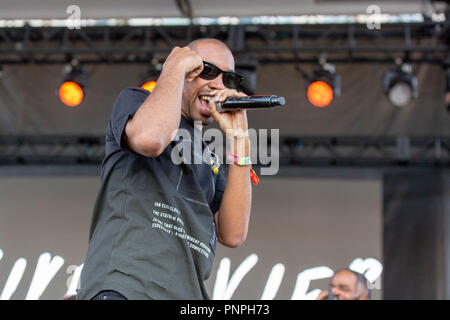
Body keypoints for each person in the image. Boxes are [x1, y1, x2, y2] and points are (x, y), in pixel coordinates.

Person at [76, 38, 253, 300]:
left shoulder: (208, 155)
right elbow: (149, 140)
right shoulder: (137, 102)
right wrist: (173, 67)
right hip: (128, 286)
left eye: (228, 79)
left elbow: (233, 232)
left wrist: (241, 141)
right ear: (186, 69)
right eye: (207, 71)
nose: (218, 85)